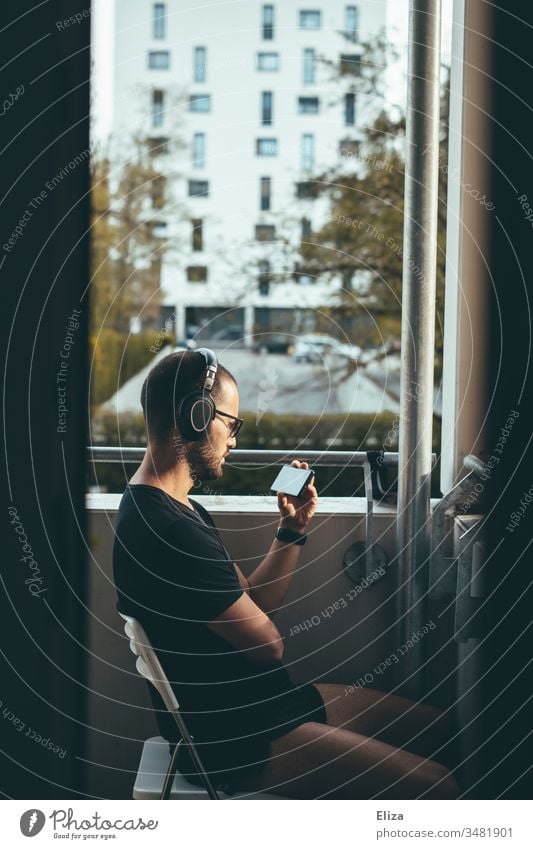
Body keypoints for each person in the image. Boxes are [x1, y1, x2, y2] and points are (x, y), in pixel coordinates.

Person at [112, 348, 460, 799]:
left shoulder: (175, 509)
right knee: (440, 787)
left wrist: (291, 530)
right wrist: (263, 632)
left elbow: (251, 602)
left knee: (442, 732)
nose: (234, 439)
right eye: (231, 423)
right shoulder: (167, 530)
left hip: (266, 707)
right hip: (239, 741)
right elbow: (268, 648)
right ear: (197, 417)